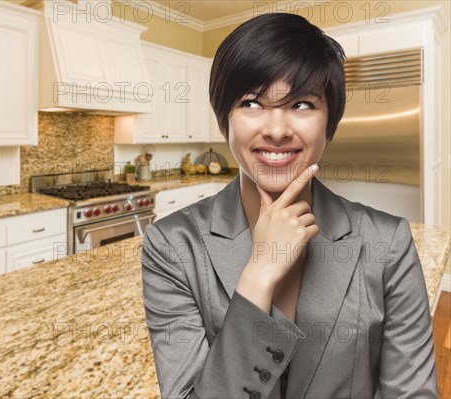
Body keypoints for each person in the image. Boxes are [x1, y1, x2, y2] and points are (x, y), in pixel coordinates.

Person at [141, 12, 438, 399]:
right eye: (251, 103)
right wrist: (258, 276)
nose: (277, 130)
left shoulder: (388, 241)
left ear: (330, 121)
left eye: (301, 104)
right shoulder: (171, 245)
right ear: (224, 119)